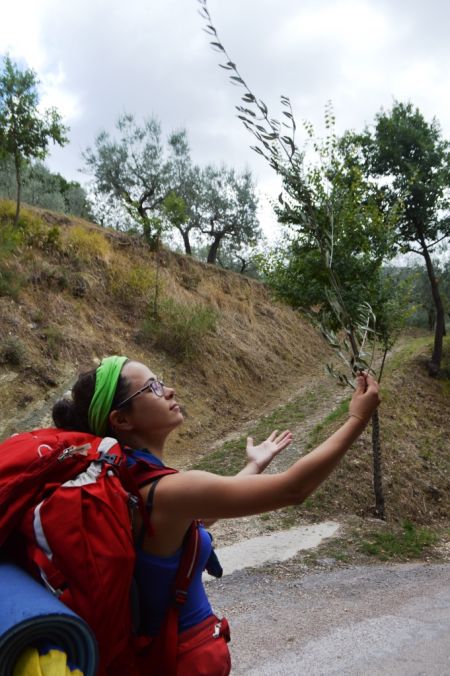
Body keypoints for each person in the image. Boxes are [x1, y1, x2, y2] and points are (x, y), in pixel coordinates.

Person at [52, 355, 380, 675]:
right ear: (121, 420)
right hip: (180, 662)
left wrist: (255, 464)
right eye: (151, 388)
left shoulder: (128, 481)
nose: (169, 391)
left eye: (161, 382)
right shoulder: (166, 491)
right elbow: (293, 489)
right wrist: (356, 420)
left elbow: (194, 521)